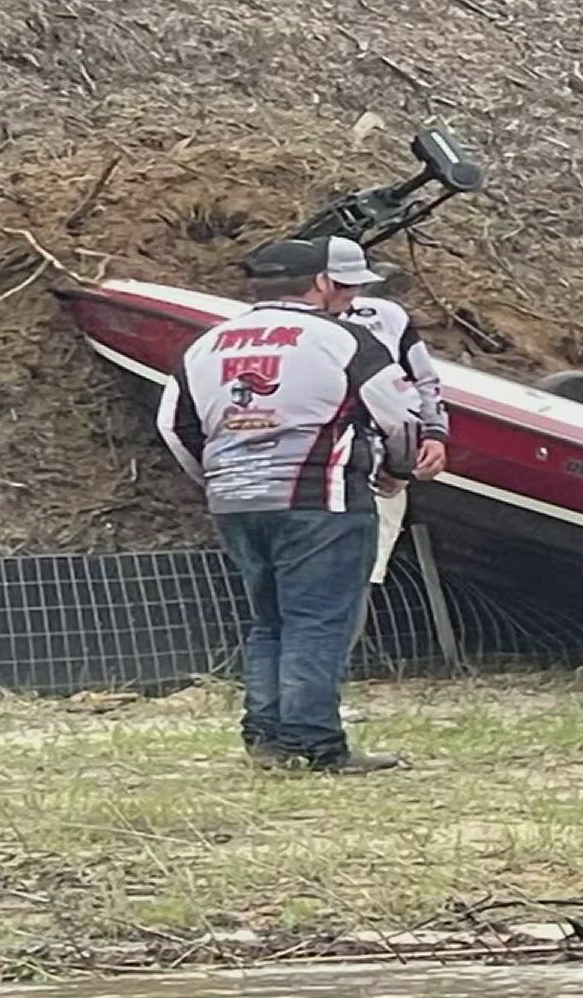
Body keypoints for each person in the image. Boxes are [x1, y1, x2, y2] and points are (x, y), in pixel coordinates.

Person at [157, 236, 422, 773]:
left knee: (268, 620)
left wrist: (216, 479)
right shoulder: (343, 338)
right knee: (319, 619)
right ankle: (317, 742)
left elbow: (174, 426)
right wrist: (397, 472)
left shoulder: (207, 344)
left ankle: (266, 738)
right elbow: (401, 418)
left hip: (235, 500)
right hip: (320, 497)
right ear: (322, 283)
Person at [322, 239, 450, 613]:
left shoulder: (385, 316)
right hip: (312, 470)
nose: (352, 293)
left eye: (357, 283)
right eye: (343, 285)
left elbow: (423, 380)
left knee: (361, 574)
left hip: (377, 464)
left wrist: (434, 435)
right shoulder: (286, 324)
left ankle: (332, 668)